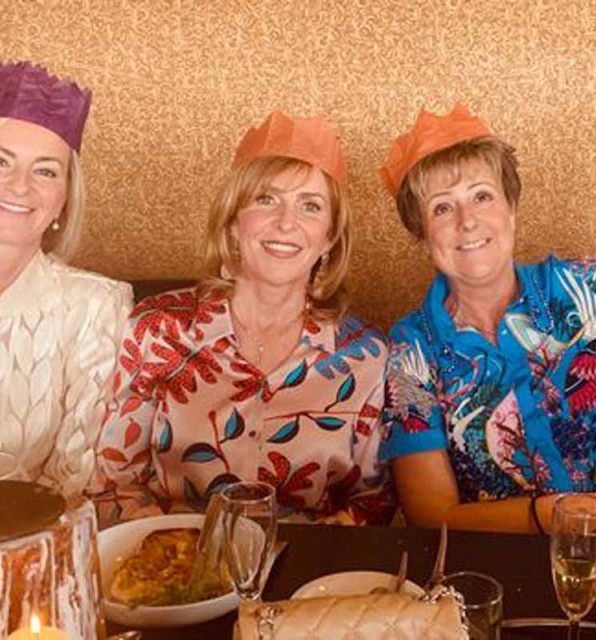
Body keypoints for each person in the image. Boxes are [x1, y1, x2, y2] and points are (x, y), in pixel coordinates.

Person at [378, 104, 596, 540]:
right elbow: (430, 514)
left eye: (482, 196)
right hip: (500, 569)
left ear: (511, 208)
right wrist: (565, 512)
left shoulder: (590, 287)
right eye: (442, 208)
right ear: (422, 236)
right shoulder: (412, 350)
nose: (467, 222)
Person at [92, 112, 394, 527]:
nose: (287, 223)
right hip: (172, 569)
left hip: (305, 579)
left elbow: (372, 503)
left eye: (310, 206)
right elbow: (113, 484)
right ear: (234, 221)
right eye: (266, 200)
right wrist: (175, 560)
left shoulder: (367, 357)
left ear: (328, 237)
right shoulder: (156, 330)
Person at [0, 61, 132, 497]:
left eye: (46, 170)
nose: (20, 186)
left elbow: (75, 482)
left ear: (63, 198)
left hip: (30, 551)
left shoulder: (98, 307)